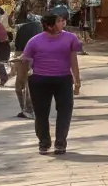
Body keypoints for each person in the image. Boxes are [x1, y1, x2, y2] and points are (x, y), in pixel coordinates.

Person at [20, 12, 82, 154]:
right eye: (59, 21)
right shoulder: (34, 41)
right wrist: (23, 80)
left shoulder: (70, 38)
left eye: (62, 21)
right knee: (41, 113)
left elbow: (73, 60)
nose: (62, 23)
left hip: (63, 79)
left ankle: (60, 142)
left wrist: (77, 80)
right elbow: (26, 60)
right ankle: (44, 142)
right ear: (49, 25)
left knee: (65, 112)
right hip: (39, 80)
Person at [12, 11, 43, 119]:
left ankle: (25, 109)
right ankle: (31, 109)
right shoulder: (43, 29)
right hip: (37, 55)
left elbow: (16, 44)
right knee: (31, 83)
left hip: (21, 55)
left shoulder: (21, 28)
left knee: (20, 84)